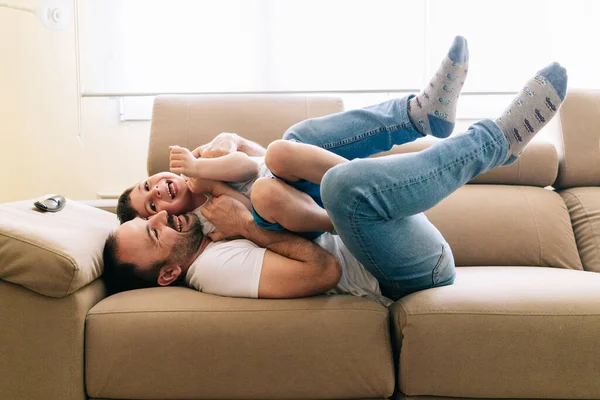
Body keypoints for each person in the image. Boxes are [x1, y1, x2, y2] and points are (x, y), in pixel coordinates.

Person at [103, 36, 568, 305]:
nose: (160, 215)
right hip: (406, 272)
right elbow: (324, 271)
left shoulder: (202, 204)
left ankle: (417, 116)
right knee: (339, 186)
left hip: (376, 221)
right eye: (151, 231)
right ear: (167, 274)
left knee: (291, 144)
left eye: (150, 214)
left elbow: (262, 167)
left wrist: (225, 150)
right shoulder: (214, 269)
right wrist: (247, 223)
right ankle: (495, 143)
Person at [116, 36, 471, 240]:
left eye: (149, 184)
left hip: (303, 180)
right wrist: (216, 192)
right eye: (151, 204)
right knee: (268, 185)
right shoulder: (202, 227)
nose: (157, 192)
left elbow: (246, 166)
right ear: (155, 221)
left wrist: (201, 169)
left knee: (287, 146)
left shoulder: (201, 164)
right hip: (293, 212)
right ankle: (403, 143)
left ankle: (415, 116)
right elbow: (249, 214)